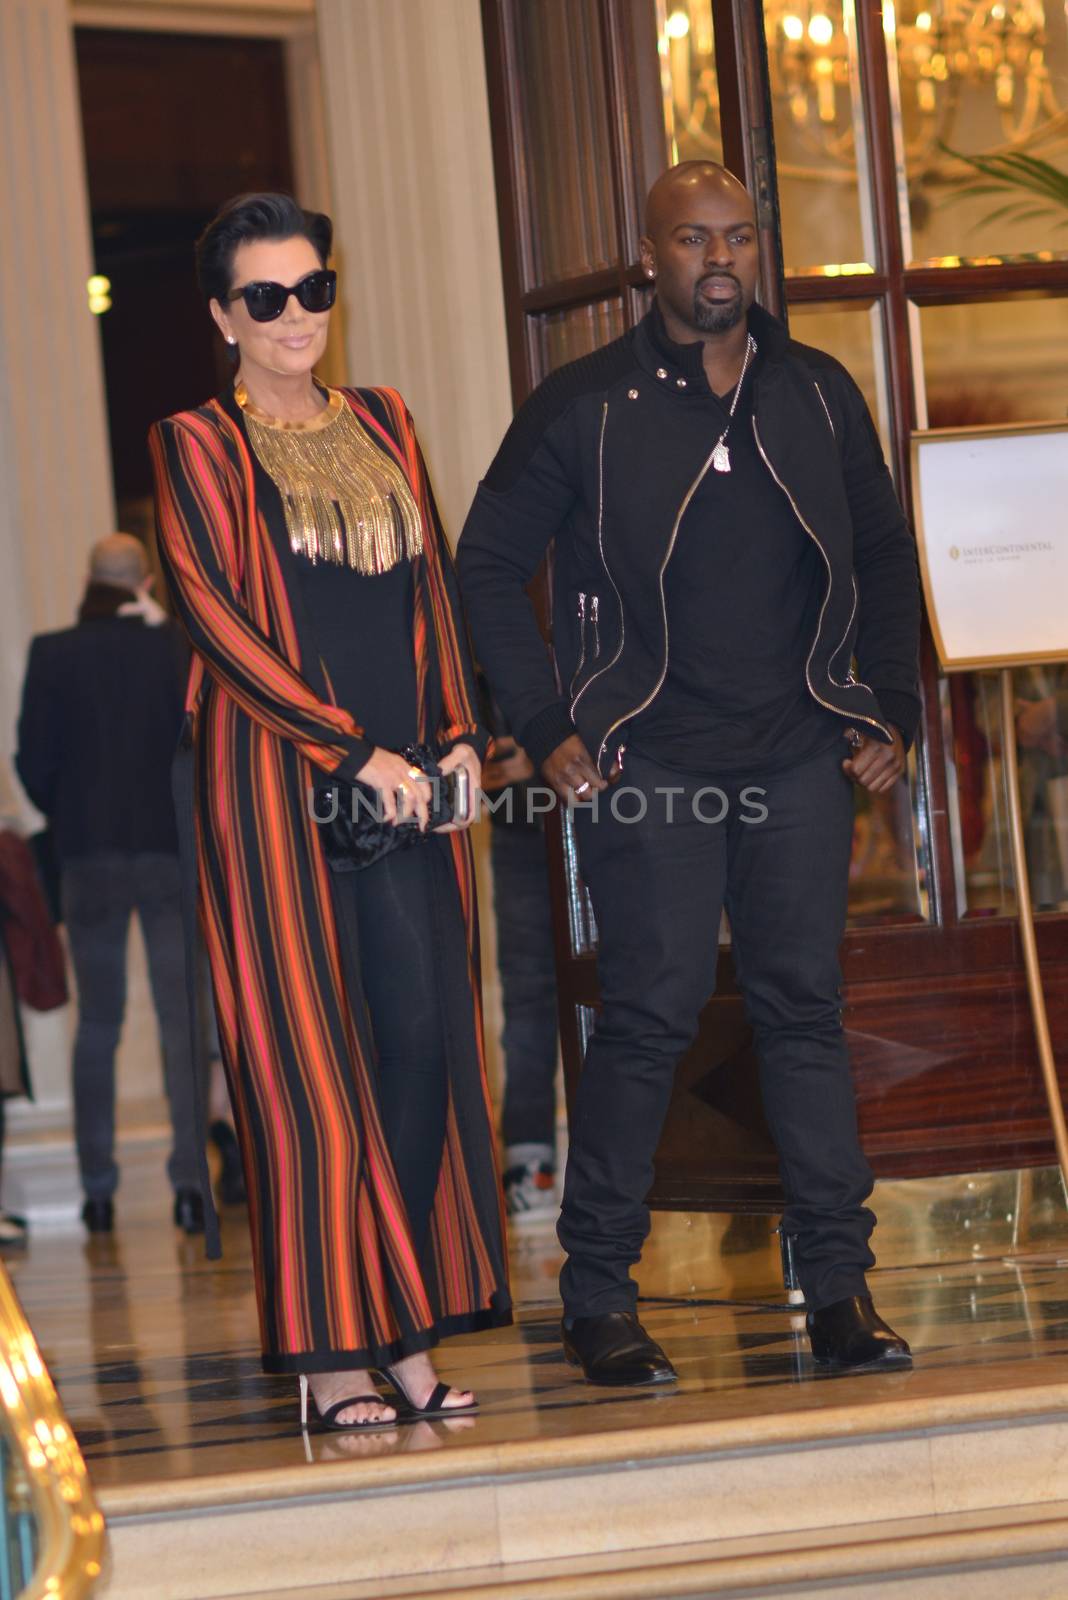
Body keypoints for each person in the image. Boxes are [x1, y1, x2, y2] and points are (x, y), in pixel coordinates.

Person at [458, 162, 921, 1384]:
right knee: (649, 1023)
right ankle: (599, 1293)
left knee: (803, 1016)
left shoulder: (819, 394)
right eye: (693, 239)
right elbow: (487, 563)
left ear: (758, 251)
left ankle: (839, 1290)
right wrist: (547, 714)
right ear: (648, 259)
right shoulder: (585, 405)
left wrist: (890, 702)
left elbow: (879, 551)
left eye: (739, 237)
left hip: (797, 757)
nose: (720, 258)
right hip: (647, 763)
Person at [149, 193, 510, 1432]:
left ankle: (407, 1332)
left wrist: (457, 734)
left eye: (313, 290)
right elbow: (216, 618)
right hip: (275, 798)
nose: (296, 316)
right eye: (266, 298)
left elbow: (436, 592)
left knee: (418, 1051)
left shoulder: (388, 420)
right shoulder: (194, 443)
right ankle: (331, 1356)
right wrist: (352, 752)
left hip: (409, 787)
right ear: (223, 317)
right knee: (310, 1072)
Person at [16, 535, 207, 1237]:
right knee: (181, 1022)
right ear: (147, 581)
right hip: (167, 852)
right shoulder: (178, 652)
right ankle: (192, 1187)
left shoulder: (53, 653)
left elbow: (32, 763)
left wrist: (70, 814)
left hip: (89, 856)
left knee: (98, 1024)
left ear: (88, 578)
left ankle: (97, 1194)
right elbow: (202, 754)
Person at [480, 697, 560, 1220]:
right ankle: (530, 1162)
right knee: (527, 991)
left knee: (620, 991)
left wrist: (550, 746)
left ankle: (624, 1159)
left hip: (610, 807)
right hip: (518, 819)